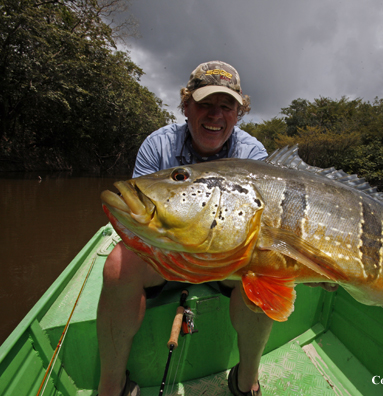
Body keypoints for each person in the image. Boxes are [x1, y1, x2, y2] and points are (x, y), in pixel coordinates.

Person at [97, 61, 269, 396]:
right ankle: (112, 386)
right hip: (165, 257)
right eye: (204, 104)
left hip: (227, 260)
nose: (214, 115)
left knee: (265, 276)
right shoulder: (157, 146)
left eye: (226, 106)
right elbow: (133, 220)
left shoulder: (253, 155)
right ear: (186, 106)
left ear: (238, 112)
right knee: (117, 266)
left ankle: (246, 380)